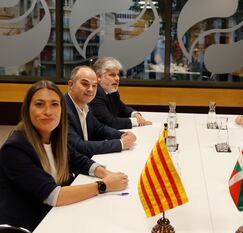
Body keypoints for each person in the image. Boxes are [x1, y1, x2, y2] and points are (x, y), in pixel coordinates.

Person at [0, 80, 128, 231]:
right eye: (39, 104)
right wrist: (103, 185)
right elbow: (53, 195)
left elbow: (79, 160)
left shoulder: (54, 137)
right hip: (31, 224)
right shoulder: (15, 148)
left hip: (55, 213)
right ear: (27, 109)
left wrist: (106, 174)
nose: (48, 111)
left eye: (54, 104)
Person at [65, 66, 137, 158]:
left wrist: (122, 134)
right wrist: (120, 144)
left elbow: (99, 128)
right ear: (71, 85)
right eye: (85, 84)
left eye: (94, 85)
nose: (90, 89)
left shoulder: (86, 105)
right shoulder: (63, 110)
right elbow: (79, 146)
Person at [90, 57, 151, 129]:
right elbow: (110, 122)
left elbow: (122, 108)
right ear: (98, 77)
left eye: (117, 75)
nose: (117, 78)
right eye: (112, 75)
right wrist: (136, 121)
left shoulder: (112, 91)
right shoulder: (96, 93)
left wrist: (135, 114)